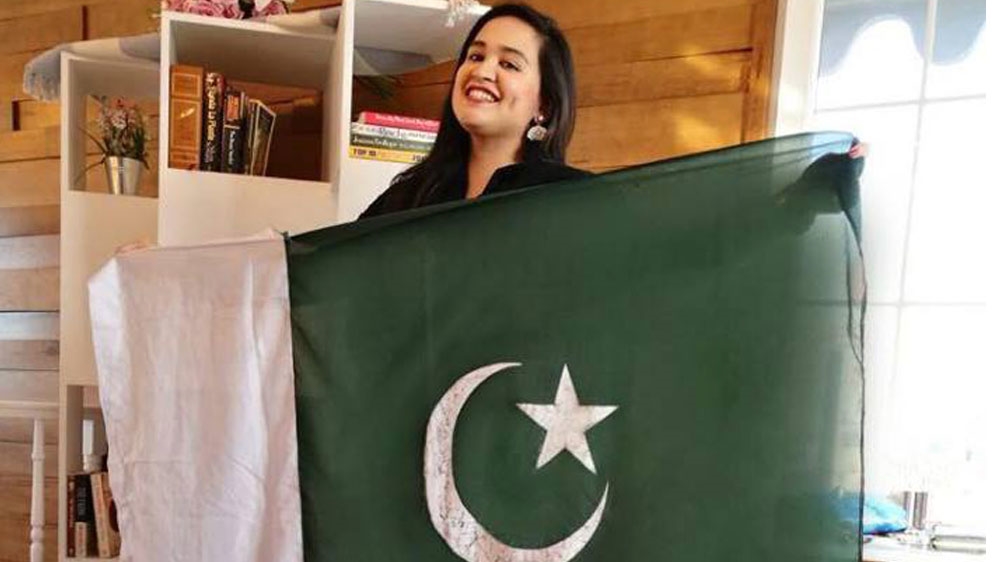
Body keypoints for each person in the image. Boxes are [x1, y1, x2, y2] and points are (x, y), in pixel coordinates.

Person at [359, 3, 590, 219]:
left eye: (509, 64)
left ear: (544, 105)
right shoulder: (403, 200)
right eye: (476, 57)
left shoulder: (569, 202)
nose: (481, 71)